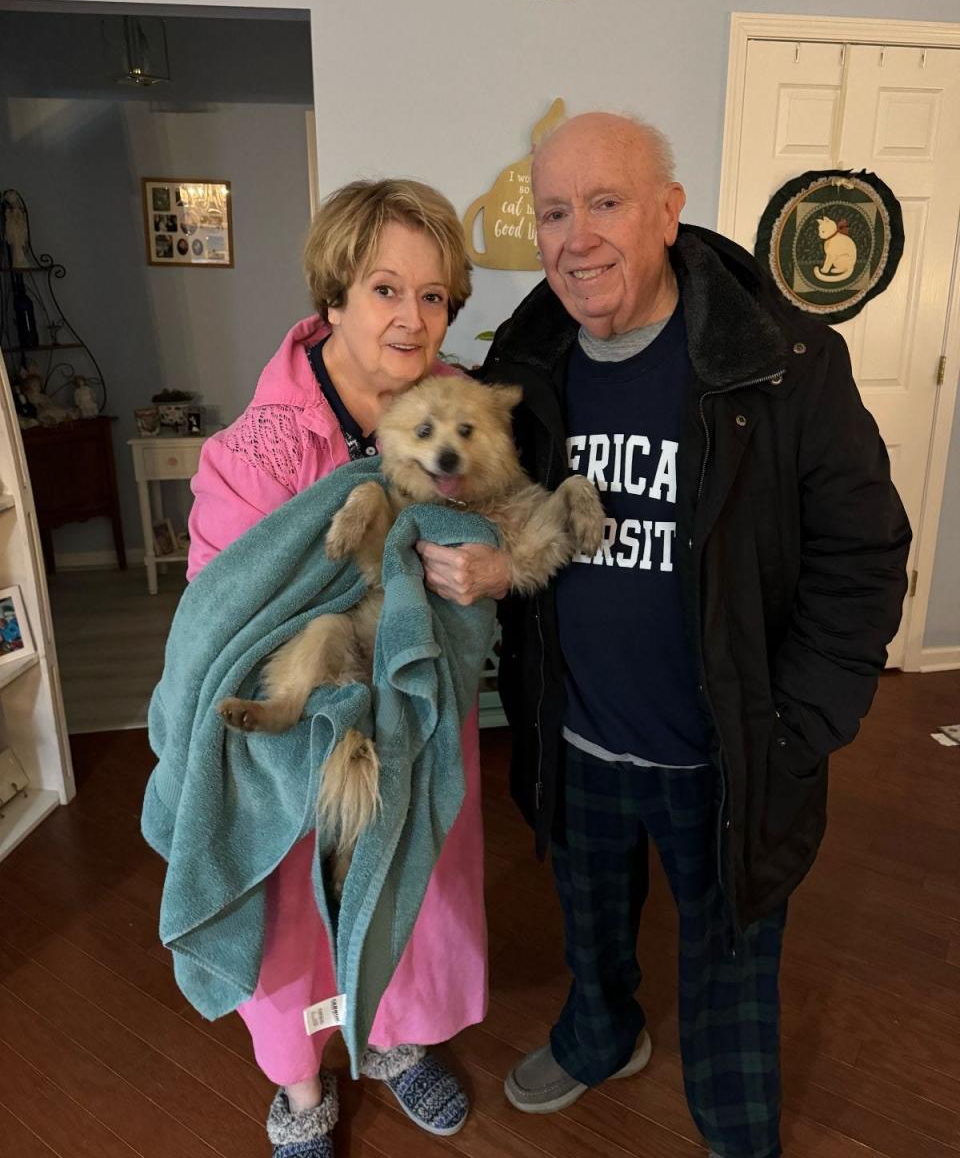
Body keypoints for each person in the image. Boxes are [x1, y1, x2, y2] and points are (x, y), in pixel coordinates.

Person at [418, 112, 910, 1158]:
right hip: (579, 732)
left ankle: (735, 1119)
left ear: (668, 212)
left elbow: (863, 554)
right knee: (590, 923)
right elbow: (481, 494)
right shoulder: (529, 354)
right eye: (555, 211)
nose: (577, 236)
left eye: (606, 203)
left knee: (730, 943)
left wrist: (800, 724)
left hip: (726, 745)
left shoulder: (784, 360)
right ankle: (601, 1036)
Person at [187, 179, 484, 1158]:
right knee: (294, 916)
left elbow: (494, 534)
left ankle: (396, 1037)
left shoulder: (459, 418)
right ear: (335, 298)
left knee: (414, 876)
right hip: (302, 731)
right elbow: (228, 605)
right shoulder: (254, 448)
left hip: (417, 712)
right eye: (387, 288)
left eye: (434, 295)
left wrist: (477, 563)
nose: (412, 317)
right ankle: (302, 1090)